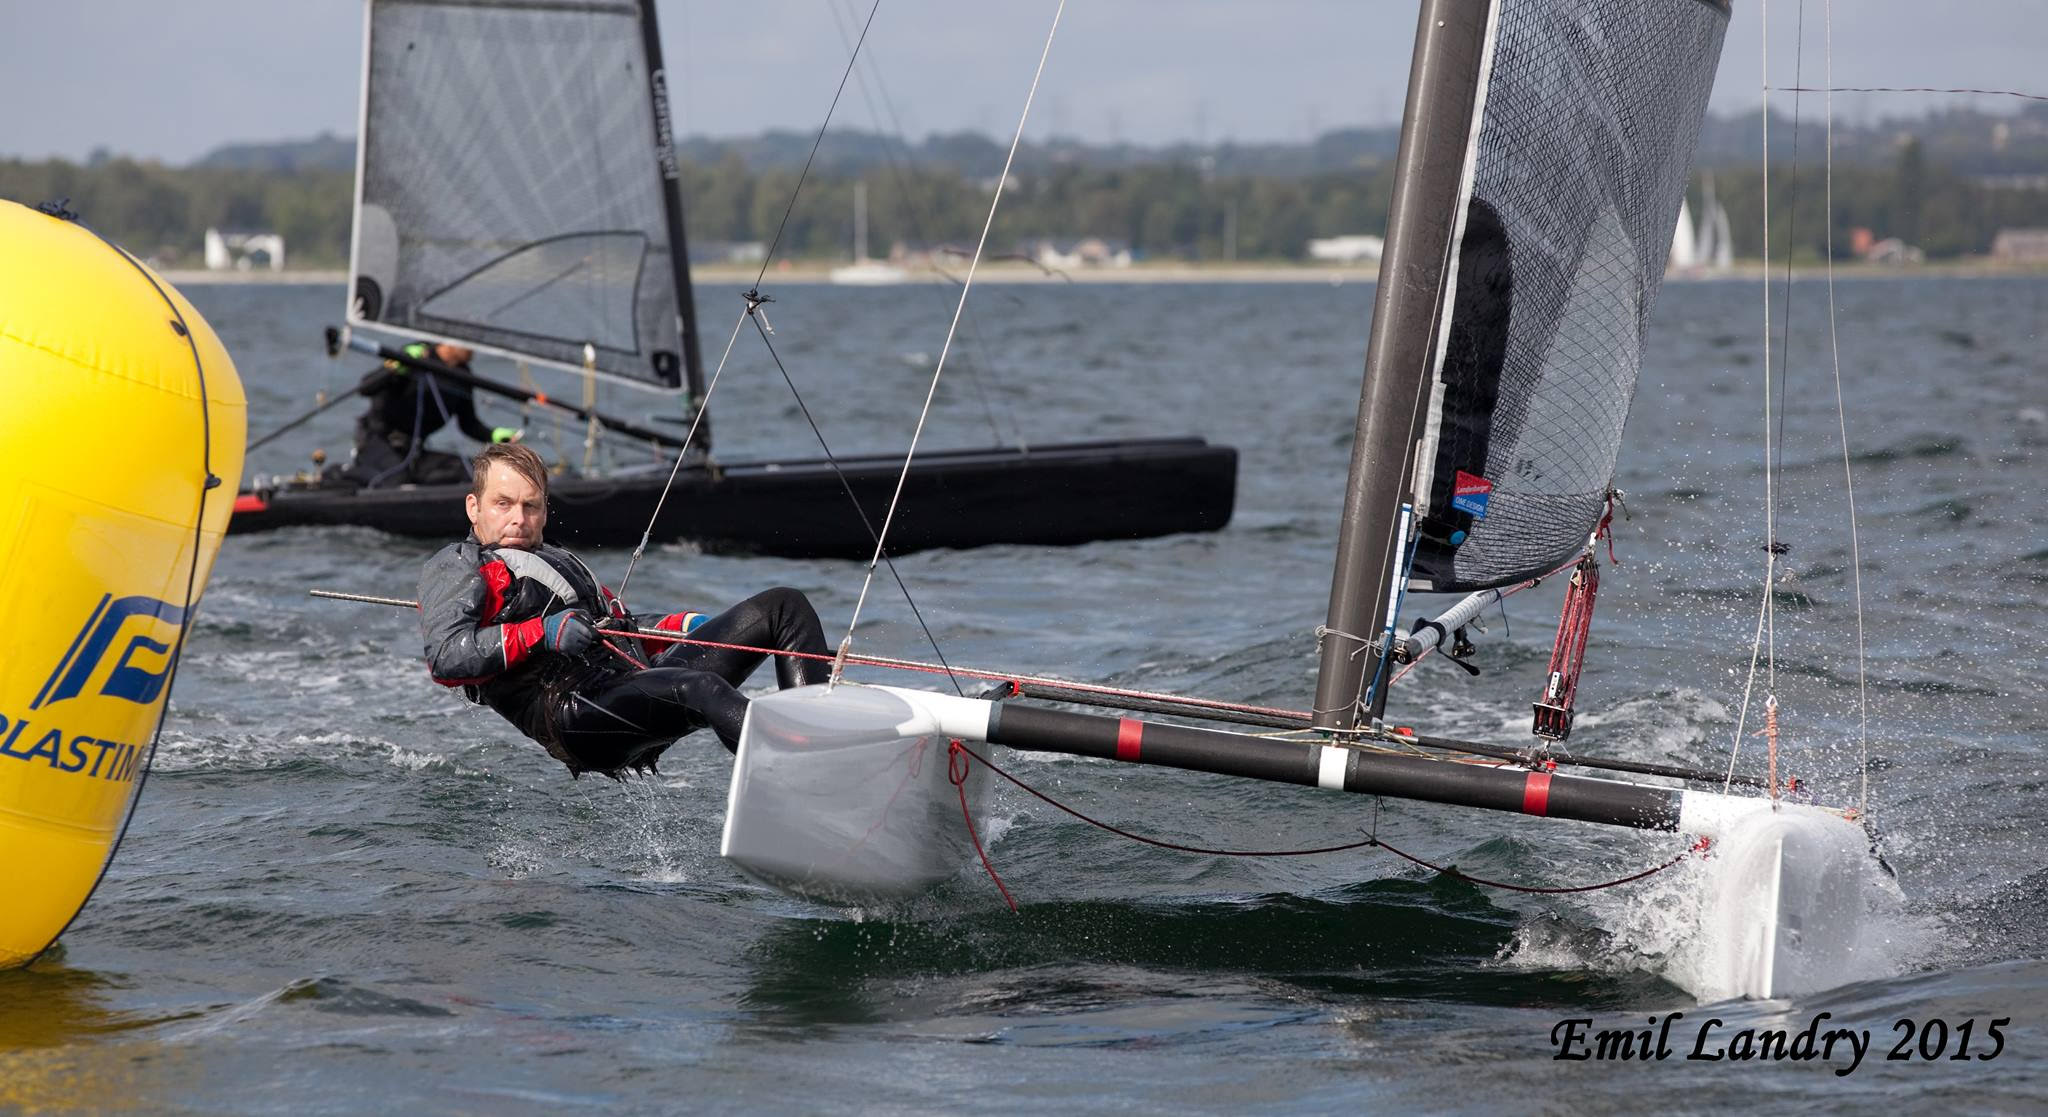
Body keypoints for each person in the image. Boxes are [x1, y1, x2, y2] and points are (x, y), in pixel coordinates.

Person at [417, 443, 832, 777]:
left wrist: (674, 626)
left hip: (625, 689)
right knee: (699, 688)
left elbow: (613, 631)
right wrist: (543, 633)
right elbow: (446, 656)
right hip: (573, 715)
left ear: (545, 510)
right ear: (474, 507)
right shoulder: (458, 564)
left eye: (531, 507)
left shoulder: (555, 559)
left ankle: (823, 737)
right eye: (502, 504)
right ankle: (804, 777)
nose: (518, 519)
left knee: (782, 607)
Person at [343, 341, 521, 487]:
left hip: (412, 450)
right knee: (397, 481)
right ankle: (342, 475)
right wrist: (396, 368)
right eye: (469, 343)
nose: (475, 349)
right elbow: (365, 387)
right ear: (449, 341)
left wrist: (494, 435)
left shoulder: (463, 375)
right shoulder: (418, 357)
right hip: (377, 439)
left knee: (473, 472)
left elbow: (468, 424)